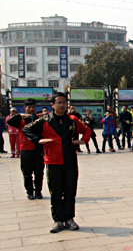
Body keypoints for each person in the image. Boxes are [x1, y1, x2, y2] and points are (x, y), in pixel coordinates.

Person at [22, 92, 91, 233]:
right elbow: (26, 129)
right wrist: (38, 140)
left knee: (70, 191)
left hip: (70, 161)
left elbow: (87, 129)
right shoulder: (45, 120)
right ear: (52, 105)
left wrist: (84, 140)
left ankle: (69, 219)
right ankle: (58, 220)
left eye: (64, 102)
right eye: (58, 102)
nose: (62, 105)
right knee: (56, 192)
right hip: (53, 162)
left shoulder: (73, 120)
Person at [7, 99, 44, 200]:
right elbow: (9, 121)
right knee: (27, 173)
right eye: (29, 107)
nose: (32, 109)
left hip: (38, 149)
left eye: (33, 107)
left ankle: (38, 192)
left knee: (39, 172)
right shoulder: (20, 121)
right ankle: (30, 192)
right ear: (25, 108)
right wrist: (20, 115)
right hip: (25, 149)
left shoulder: (39, 119)